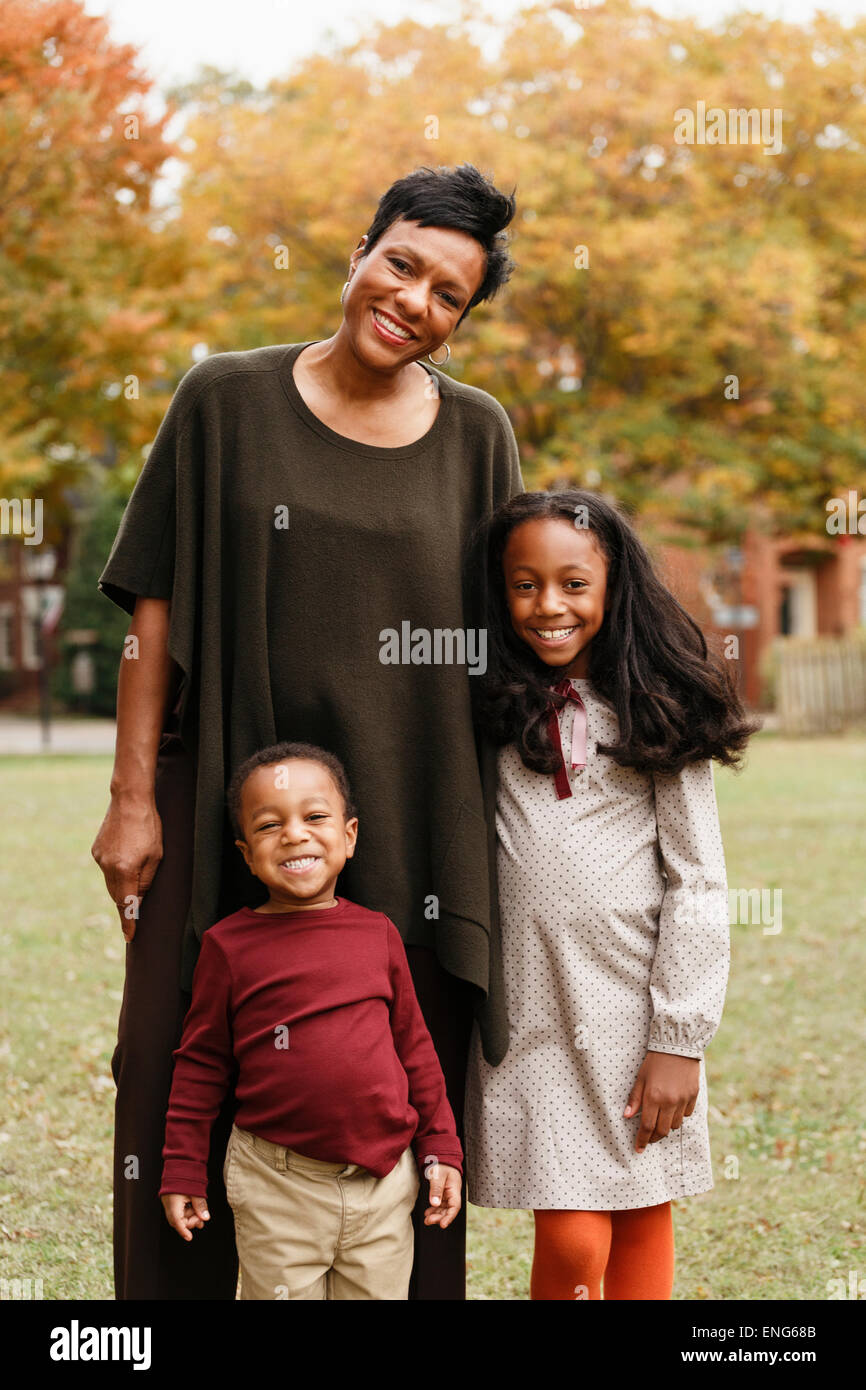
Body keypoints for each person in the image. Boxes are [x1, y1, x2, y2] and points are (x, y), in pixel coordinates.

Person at [91, 162, 523, 1300]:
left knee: (395, 1082)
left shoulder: (478, 435)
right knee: (169, 1064)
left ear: (459, 321)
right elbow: (154, 608)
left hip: (410, 812)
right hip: (227, 799)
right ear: (358, 253)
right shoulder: (223, 401)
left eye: (446, 294)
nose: (413, 299)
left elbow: (512, 636)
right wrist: (134, 801)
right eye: (402, 263)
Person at [463, 489, 760, 1300]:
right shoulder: (491, 709)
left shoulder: (658, 715)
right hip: (529, 1018)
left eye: (571, 584)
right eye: (524, 585)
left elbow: (697, 880)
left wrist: (680, 1036)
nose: (547, 606)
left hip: (634, 1015)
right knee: (570, 1235)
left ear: (614, 587)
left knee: (640, 1209)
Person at [159, 742, 462, 1300]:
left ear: (349, 836)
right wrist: (181, 1168)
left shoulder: (379, 934)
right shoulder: (228, 947)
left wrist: (441, 1148)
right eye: (270, 825)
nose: (295, 834)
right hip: (277, 1184)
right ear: (246, 854)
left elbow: (415, 1049)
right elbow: (200, 1064)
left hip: (383, 1184)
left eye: (315, 817)